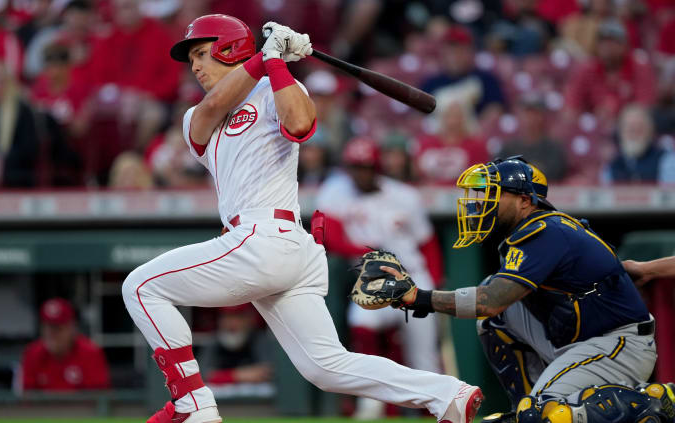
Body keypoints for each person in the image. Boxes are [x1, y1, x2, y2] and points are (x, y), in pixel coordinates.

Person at [121, 14, 482, 423]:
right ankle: (446, 394)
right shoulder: (195, 118)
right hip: (262, 243)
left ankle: (192, 405)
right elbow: (214, 107)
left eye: (203, 54)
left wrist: (275, 64)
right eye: (192, 60)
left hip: (271, 239)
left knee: (141, 285)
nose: (196, 67)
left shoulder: (277, 88)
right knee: (325, 367)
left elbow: (299, 124)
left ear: (230, 49)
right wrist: (266, 57)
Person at [376, 156, 672, 423]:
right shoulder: (528, 233)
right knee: (495, 320)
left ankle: (649, 403)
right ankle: (525, 409)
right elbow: (493, 306)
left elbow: (490, 301)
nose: (481, 203)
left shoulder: (545, 232)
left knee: (547, 416)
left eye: (493, 194)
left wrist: (418, 297)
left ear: (524, 201)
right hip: (577, 339)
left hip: (616, 343)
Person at [316, 136, 445, 419]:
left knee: (423, 354)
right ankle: (375, 399)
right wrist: (365, 251)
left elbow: (427, 242)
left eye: (364, 167)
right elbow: (332, 239)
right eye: (354, 167)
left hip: (412, 275)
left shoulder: (403, 195)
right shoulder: (336, 191)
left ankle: (436, 407)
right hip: (375, 278)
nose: (359, 173)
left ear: (376, 167)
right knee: (361, 322)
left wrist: (434, 283)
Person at [21, 298, 111, 391]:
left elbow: (99, 398)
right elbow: (27, 399)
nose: (51, 334)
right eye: (47, 328)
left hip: (79, 406)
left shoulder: (90, 353)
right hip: (43, 406)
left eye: (58, 329)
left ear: (72, 328)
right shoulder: (33, 353)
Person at [197, 305, 272, 386]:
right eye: (227, 317)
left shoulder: (258, 339)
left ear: (249, 318)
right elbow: (201, 375)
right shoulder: (213, 341)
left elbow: (267, 372)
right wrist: (238, 375)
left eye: (238, 317)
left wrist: (220, 376)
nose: (231, 323)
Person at [601, 104, 675, 184]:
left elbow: (669, 194)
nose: (634, 132)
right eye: (630, 128)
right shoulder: (611, 167)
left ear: (650, 131)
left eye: (639, 127)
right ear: (620, 132)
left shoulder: (666, 160)